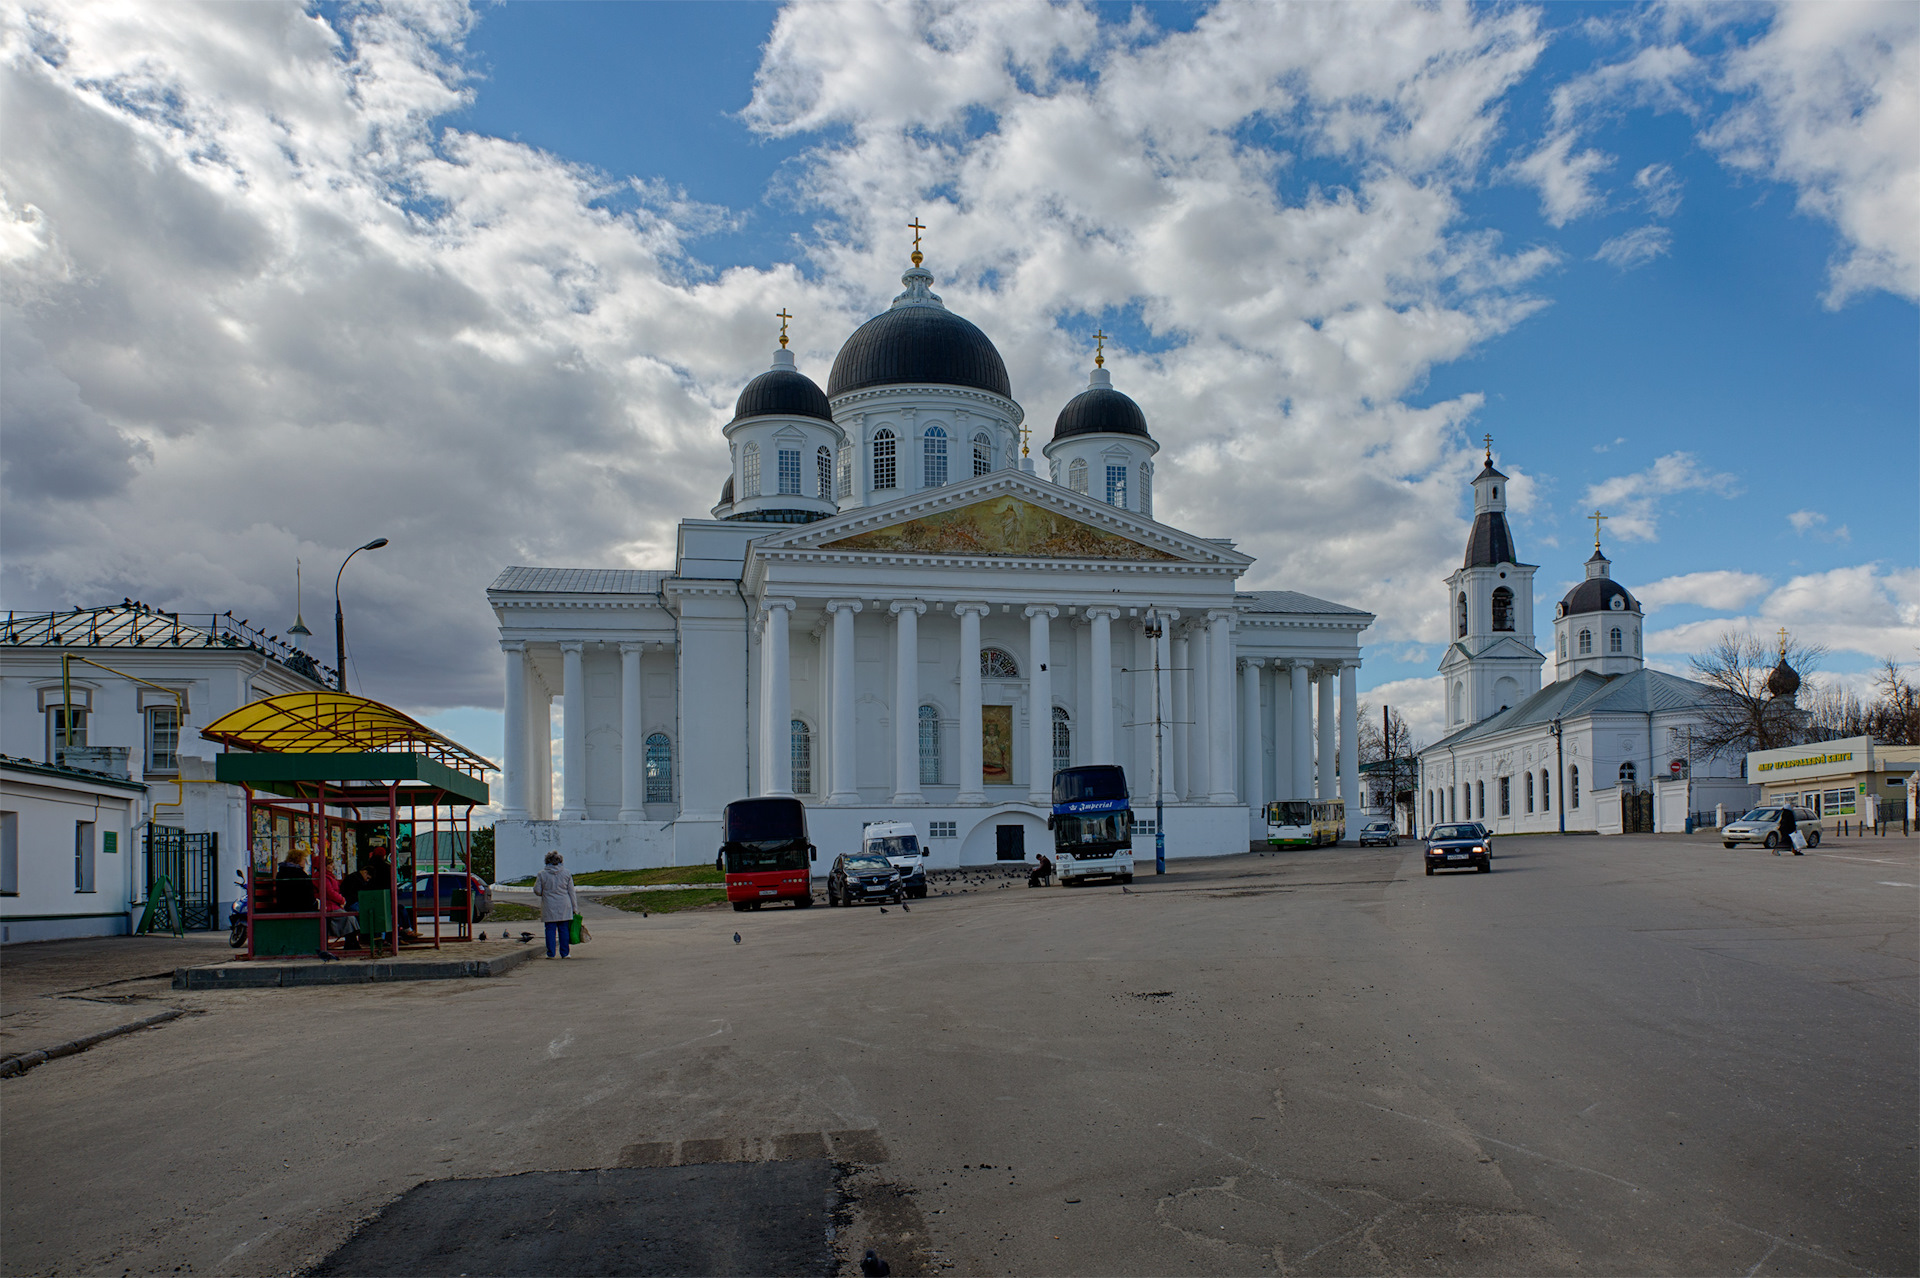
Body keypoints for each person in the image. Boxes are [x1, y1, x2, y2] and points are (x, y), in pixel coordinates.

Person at [533, 850, 580, 959]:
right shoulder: (566, 873)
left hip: (549, 905)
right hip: (564, 904)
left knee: (550, 929)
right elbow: (571, 892)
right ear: (560, 861)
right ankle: (565, 953)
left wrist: (545, 893)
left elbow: (537, 891)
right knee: (563, 929)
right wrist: (574, 908)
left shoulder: (542, 874)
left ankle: (551, 953)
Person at [274, 847, 317, 912]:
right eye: (303, 859)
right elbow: (309, 896)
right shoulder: (301, 875)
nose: (304, 862)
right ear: (298, 860)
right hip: (301, 908)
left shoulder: (281, 873)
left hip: (283, 907)